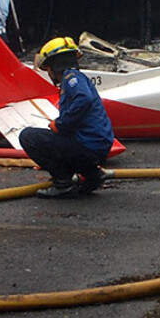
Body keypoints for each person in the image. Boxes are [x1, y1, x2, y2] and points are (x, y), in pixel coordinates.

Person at [19, 37, 114, 199]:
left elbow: (84, 99)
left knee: (28, 136)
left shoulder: (72, 78)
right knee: (57, 141)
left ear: (53, 65)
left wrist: (61, 124)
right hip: (95, 147)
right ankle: (93, 174)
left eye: (47, 68)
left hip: (87, 147)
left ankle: (63, 183)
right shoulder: (75, 79)